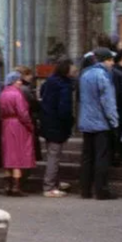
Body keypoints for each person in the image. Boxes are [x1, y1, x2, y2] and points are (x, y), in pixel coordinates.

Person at [79, 48, 119, 200]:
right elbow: (108, 102)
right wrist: (114, 121)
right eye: (111, 60)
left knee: (87, 157)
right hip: (101, 122)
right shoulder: (103, 76)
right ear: (106, 60)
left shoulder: (85, 74)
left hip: (86, 121)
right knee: (101, 157)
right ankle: (101, 190)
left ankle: (85, 190)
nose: (112, 64)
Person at [39, 59, 74, 197]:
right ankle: (49, 186)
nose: (74, 71)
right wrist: (69, 121)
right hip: (57, 125)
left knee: (52, 154)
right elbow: (64, 109)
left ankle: (55, 182)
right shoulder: (63, 86)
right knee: (54, 155)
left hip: (48, 122)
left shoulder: (49, 82)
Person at [0, 71, 37, 197]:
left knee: (9, 155)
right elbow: (23, 113)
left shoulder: (3, 94)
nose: (20, 82)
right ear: (13, 81)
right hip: (18, 125)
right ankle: (16, 187)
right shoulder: (17, 94)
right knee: (17, 157)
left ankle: (7, 186)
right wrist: (30, 125)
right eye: (18, 80)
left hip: (6, 124)